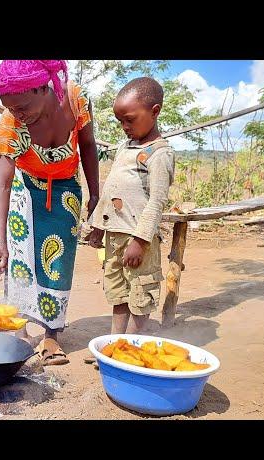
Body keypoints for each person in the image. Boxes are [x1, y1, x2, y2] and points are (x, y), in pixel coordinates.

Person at [0, 60, 100, 366]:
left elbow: (88, 146)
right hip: (25, 191)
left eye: (22, 106)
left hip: (66, 191)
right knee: (20, 261)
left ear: (43, 87)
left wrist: (95, 195)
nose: (17, 114)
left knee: (58, 263)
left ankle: (52, 336)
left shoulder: (76, 99)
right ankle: (20, 333)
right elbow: (1, 184)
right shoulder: (10, 123)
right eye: (10, 108)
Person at [87, 77, 175, 337]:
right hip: (115, 237)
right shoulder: (125, 147)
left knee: (140, 291)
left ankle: (133, 345)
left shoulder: (160, 153)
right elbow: (112, 192)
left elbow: (157, 202)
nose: (124, 126)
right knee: (119, 292)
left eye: (130, 119)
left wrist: (140, 241)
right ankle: (116, 343)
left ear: (155, 111)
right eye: (120, 121)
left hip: (139, 239)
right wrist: (99, 227)